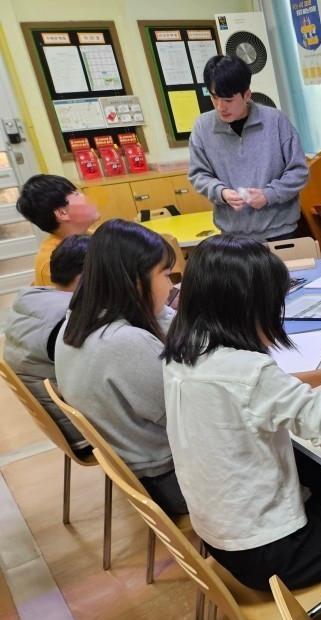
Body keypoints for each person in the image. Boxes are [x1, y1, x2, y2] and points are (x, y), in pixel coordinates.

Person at [162, 234, 321, 591]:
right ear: (247, 307)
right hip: (275, 552)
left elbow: (251, 389)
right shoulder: (251, 371)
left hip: (222, 536)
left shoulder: (185, 348)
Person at [54, 220, 187, 515]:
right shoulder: (125, 343)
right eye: (165, 274)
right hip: (172, 480)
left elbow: (164, 319)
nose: (171, 285)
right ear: (134, 281)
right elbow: (188, 418)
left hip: (142, 471)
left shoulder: (77, 320)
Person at [188, 55, 308, 241]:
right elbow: (198, 175)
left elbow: (299, 171)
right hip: (232, 235)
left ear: (247, 94)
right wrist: (221, 192)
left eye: (228, 100)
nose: (220, 107)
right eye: (214, 98)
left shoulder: (275, 121)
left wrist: (268, 195)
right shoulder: (203, 127)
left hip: (280, 232)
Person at [2, 235, 89, 448]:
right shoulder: (70, 319)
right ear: (85, 277)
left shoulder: (31, 299)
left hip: (62, 423)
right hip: (85, 432)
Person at [15, 174, 99, 286]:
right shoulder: (54, 264)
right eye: (76, 194)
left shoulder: (87, 235)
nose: (84, 196)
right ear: (62, 213)